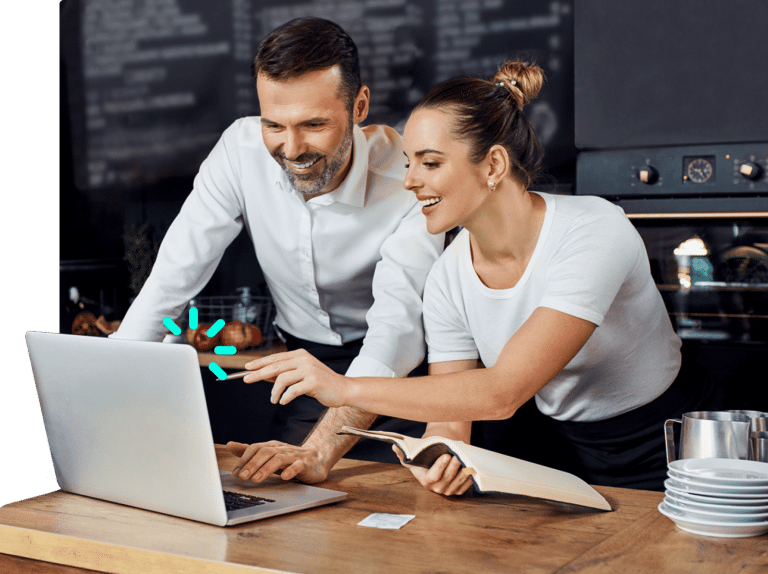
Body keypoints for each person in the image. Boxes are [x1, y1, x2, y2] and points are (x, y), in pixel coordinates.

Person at [230, 59, 723, 493]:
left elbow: (502, 391)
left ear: (493, 164)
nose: (409, 181)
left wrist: (344, 388)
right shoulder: (447, 277)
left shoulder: (594, 231)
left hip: (668, 447)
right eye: (408, 163)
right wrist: (440, 454)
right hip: (559, 452)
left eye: (430, 163)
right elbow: (454, 411)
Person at [112, 17, 444, 458]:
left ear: (360, 106)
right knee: (283, 500)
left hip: (402, 377)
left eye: (313, 125)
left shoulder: (408, 178)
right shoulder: (239, 151)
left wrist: (322, 451)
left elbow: (396, 330)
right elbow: (174, 274)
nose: (291, 149)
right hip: (303, 367)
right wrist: (109, 381)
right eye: (274, 125)